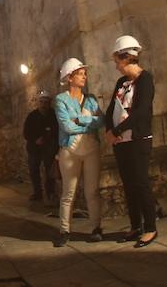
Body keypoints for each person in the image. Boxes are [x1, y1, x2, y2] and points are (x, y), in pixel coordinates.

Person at [104, 36, 158, 248]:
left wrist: (118, 129)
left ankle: (151, 228)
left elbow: (142, 111)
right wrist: (110, 130)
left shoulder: (145, 79)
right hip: (121, 142)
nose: (116, 65)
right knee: (128, 186)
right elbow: (111, 109)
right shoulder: (120, 83)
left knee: (141, 184)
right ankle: (136, 226)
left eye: (117, 60)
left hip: (138, 140)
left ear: (125, 58)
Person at [53, 58, 104, 247]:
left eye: (84, 73)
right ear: (69, 77)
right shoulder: (61, 100)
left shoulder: (90, 99)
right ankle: (64, 230)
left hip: (91, 149)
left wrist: (79, 120)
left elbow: (102, 121)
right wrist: (89, 121)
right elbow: (66, 127)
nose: (84, 76)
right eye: (80, 74)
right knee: (68, 193)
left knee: (92, 192)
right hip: (70, 150)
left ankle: (96, 228)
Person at [23, 90, 58, 202]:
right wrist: (35, 140)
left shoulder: (53, 115)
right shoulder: (32, 116)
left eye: (46, 102)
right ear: (38, 103)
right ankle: (37, 193)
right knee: (34, 170)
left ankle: (50, 193)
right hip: (34, 148)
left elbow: (56, 130)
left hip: (49, 148)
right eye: (42, 102)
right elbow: (26, 132)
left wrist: (49, 139)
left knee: (49, 171)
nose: (43, 104)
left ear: (49, 103)